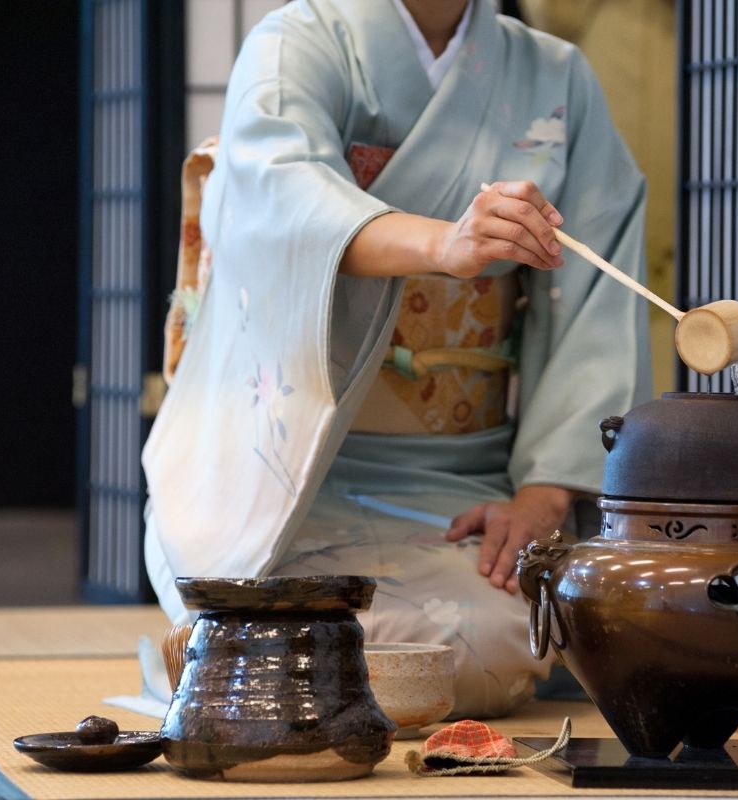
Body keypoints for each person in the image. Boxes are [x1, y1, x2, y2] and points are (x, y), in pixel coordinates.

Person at [142, 0, 651, 718]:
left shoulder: (556, 78)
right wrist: (444, 246)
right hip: (273, 477)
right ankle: (230, 645)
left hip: (455, 493)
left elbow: (595, 297)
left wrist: (541, 498)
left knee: (485, 644)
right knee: (265, 605)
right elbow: (280, 201)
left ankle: (224, 667)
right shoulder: (297, 44)